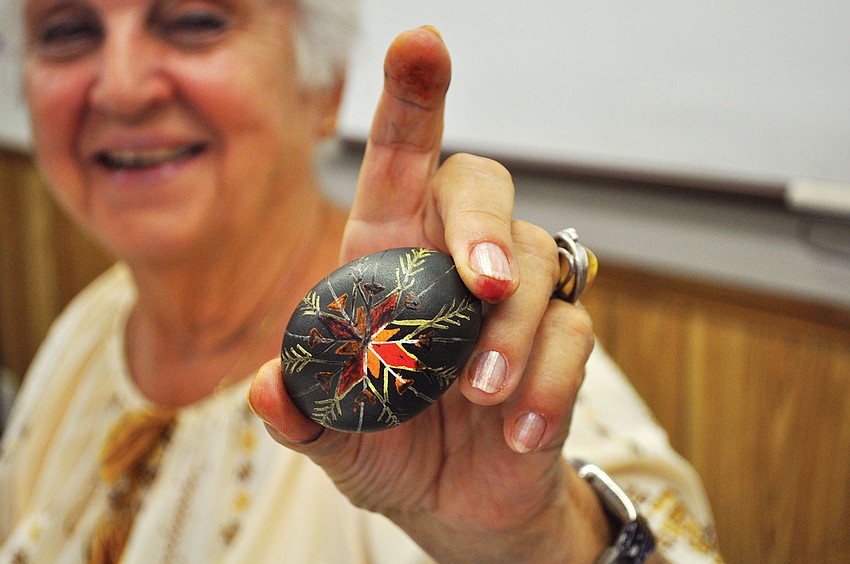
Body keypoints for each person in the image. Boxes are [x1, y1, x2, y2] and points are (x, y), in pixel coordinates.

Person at [0, 0, 722, 561]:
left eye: (194, 21)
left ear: (325, 88)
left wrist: (534, 545)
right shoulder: (88, 329)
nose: (121, 89)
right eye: (64, 31)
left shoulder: (476, 381)